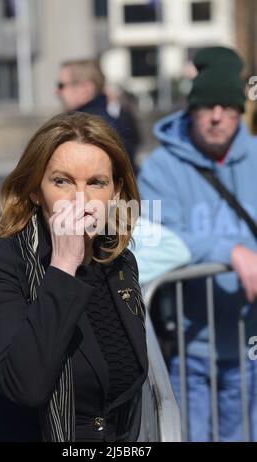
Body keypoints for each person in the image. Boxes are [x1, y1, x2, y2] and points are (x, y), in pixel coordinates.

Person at [0, 112, 148, 442]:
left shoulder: (119, 265)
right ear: (35, 191)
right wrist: (63, 267)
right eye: (62, 181)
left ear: (115, 192)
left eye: (96, 183)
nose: (80, 198)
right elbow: (24, 386)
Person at [138, 46, 257, 442]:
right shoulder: (160, 168)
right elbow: (154, 237)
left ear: (241, 110)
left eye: (227, 105)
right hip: (188, 348)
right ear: (192, 109)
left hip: (250, 346)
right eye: (207, 106)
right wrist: (228, 252)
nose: (217, 115)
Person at [56, 59, 138, 174]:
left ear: (84, 88)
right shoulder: (101, 121)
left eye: (61, 85)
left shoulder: (90, 127)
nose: (56, 91)